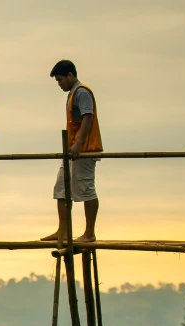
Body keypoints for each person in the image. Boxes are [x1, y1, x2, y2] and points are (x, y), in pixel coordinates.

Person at [42, 59, 103, 242]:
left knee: (85, 189)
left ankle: (89, 233)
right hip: (72, 150)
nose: (59, 84)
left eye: (60, 80)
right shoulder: (72, 93)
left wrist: (79, 144)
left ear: (70, 75)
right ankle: (63, 231)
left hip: (84, 150)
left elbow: (87, 117)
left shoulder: (82, 92)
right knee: (61, 189)